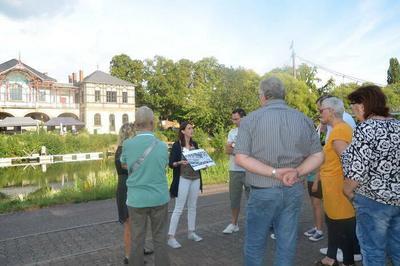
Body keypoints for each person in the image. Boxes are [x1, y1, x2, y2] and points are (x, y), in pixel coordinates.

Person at [235, 77, 324, 266]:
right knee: (287, 241)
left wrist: (274, 173)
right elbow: (318, 156)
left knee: (255, 243)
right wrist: (297, 172)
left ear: (263, 96)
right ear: (283, 95)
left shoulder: (250, 120)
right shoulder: (304, 119)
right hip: (293, 189)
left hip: (262, 191)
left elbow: (241, 158)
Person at [341, 85, 400, 266]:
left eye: (354, 108)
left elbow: (357, 169)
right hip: (398, 199)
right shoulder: (398, 126)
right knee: (398, 248)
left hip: (373, 202)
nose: (355, 113)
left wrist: (347, 190)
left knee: (373, 251)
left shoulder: (366, 129)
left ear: (362, 106)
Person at [120, 106, 170, 266]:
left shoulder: (127, 144)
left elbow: (123, 165)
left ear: (136, 124)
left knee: (137, 240)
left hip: (136, 200)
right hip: (159, 198)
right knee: (160, 239)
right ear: (152, 123)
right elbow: (164, 166)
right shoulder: (162, 146)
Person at [315, 97, 357, 266]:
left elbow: (349, 162)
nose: (319, 114)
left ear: (331, 111)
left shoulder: (340, 131)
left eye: (321, 110)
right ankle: (332, 259)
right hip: (333, 189)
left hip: (338, 189)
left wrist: (349, 188)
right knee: (336, 224)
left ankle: (347, 261)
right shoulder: (337, 129)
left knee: (344, 227)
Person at [115, 123, 153, 264]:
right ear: (131, 135)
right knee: (129, 225)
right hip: (126, 189)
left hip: (134, 187)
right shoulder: (121, 151)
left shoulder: (126, 149)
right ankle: (128, 257)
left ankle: (140, 249)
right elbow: (131, 168)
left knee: (140, 222)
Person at [167, 121, 203, 248]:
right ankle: (171, 237)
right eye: (189, 128)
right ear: (183, 131)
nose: (191, 130)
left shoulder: (195, 144)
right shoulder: (177, 146)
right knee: (179, 208)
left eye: (192, 128)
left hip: (195, 178)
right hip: (183, 179)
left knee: (193, 206)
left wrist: (204, 164)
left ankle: (191, 232)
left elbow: (199, 161)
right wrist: (180, 162)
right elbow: (171, 164)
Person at [222, 108, 250, 234]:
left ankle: (254, 224)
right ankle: (234, 224)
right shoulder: (232, 132)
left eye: (236, 119)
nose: (234, 121)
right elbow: (227, 150)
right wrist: (241, 150)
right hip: (234, 170)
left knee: (253, 199)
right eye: (233, 119)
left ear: (243, 118)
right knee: (234, 199)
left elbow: (253, 150)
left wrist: (235, 146)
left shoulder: (251, 130)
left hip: (250, 170)